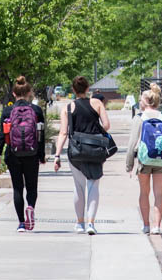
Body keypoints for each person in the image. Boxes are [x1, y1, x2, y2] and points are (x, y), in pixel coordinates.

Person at [53, 76, 111, 235]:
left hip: (76, 151)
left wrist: (57, 155)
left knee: (79, 187)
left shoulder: (68, 108)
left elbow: (63, 132)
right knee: (93, 185)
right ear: (88, 89)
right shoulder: (97, 103)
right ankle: (91, 223)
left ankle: (80, 223)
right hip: (95, 150)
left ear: (73, 90)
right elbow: (106, 125)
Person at [0, 76, 46, 233]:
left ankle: (21, 224)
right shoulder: (36, 111)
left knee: (18, 188)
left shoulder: (8, 111)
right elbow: (41, 135)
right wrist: (42, 155)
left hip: (13, 153)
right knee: (32, 186)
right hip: (32, 153)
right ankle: (30, 206)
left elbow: (2, 135)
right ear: (29, 92)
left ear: (13, 93)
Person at [126, 83, 162, 235]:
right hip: (161, 160)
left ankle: (146, 225)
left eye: (141, 100)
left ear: (145, 102)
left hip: (144, 159)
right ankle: (157, 226)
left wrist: (129, 164)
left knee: (144, 193)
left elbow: (132, 142)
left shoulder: (139, 118)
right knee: (159, 194)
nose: (139, 102)